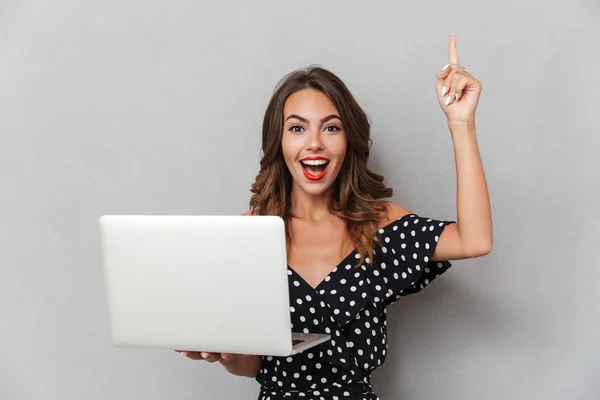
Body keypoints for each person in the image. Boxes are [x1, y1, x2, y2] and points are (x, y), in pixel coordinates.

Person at [177, 33, 492, 400]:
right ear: (279, 142)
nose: (315, 143)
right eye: (297, 128)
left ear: (347, 141)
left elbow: (475, 240)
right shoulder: (247, 235)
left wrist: (461, 122)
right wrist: (227, 355)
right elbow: (253, 367)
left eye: (331, 127)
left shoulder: (379, 226)